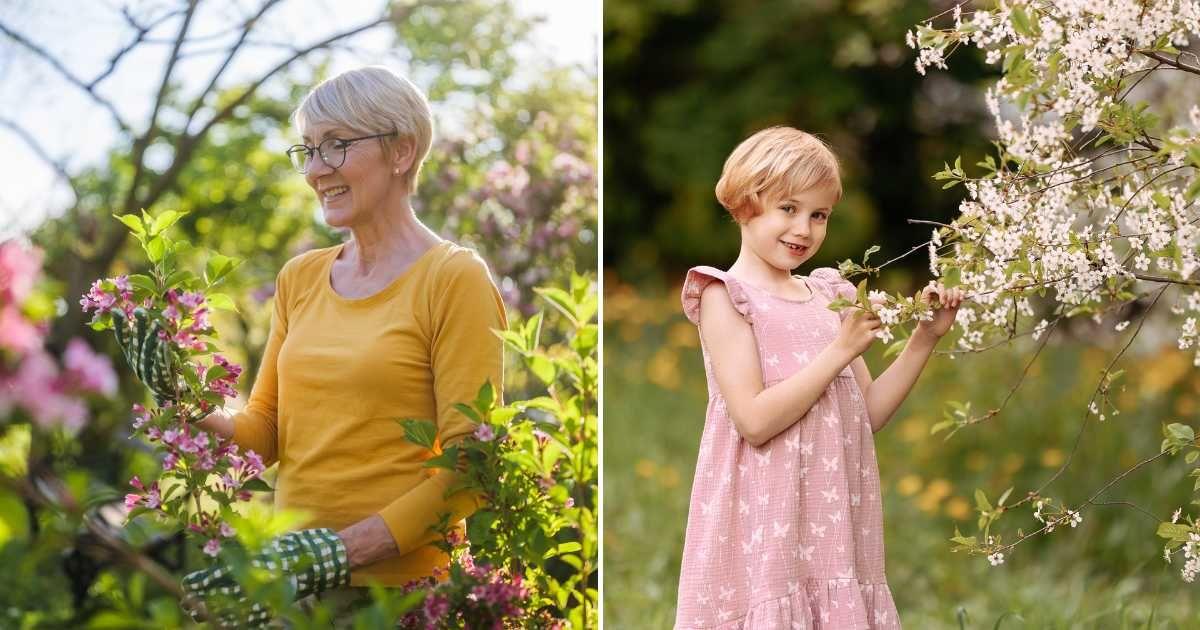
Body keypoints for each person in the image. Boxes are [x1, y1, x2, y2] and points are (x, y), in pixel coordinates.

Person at [116, 66, 506, 626]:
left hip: (402, 597)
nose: (317, 170)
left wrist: (337, 554)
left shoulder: (453, 278)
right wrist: (184, 394)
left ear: (401, 151)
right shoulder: (300, 278)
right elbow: (266, 432)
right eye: (309, 150)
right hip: (291, 588)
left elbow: (473, 464)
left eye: (337, 146)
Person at [673, 126, 962, 629]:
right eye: (788, 208)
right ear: (745, 204)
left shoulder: (831, 296)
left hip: (832, 534)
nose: (803, 229)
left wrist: (924, 338)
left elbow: (867, 413)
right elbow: (754, 420)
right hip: (765, 533)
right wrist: (839, 350)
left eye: (819, 214)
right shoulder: (726, 295)